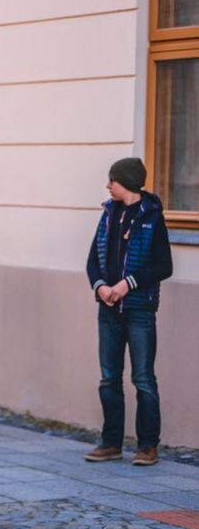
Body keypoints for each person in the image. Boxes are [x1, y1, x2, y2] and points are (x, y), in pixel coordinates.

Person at [84, 158, 172, 467]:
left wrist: (127, 284)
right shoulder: (109, 214)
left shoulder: (152, 217)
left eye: (113, 180)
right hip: (108, 310)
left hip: (139, 311)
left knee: (143, 378)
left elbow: (164, 266)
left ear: (128, 183)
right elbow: (92, 261)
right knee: (109, 378)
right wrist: (100, 286)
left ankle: (148, 446)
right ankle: (111, 443)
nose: (108, 185)